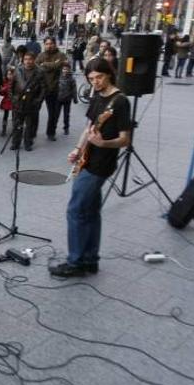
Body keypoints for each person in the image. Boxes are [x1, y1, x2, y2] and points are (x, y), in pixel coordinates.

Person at [52, 59, 131, 277]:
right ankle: (90, 259)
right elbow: (88, 128)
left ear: (110, 74)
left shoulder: (120, 102)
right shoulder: (98, 97)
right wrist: (78, 149)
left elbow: (125, 139)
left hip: (100, 165)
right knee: (92, 212)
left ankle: (75, 262)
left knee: (75, 210)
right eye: (91, 79)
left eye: (99, 77)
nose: (95, 82)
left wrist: (104, 144)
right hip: (88, 159)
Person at [10, 52, 45, 151]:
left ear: (33, 60)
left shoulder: (39, 72)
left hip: (31, 103)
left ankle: (28, 143)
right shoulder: (18, 71)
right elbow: (11, 87)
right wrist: (13, 99)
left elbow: (43, 89)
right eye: (25, 59)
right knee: (17, 124)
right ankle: (15, 143)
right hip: (19, 103)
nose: (28, 61)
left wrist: (38, 101)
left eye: (30, 59)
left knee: (30, 125)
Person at [36, 37, 68, 142]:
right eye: (47, 44)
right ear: (44, 45)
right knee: (34, 111)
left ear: (55, 44)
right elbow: (37, 68)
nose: (49, 46)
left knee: (53, 114)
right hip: (41, 88)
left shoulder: (61, 55)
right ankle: (31, 133)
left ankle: (51, 132)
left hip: (54, 89)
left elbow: (60, 65)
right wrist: (54, 65)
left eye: (51, 43)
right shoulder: (41, 55)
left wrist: (45, 64)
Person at [50, 64, 77, 137]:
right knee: (56, 115)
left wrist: (75, 98)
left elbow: (74, 89)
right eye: (64, 69)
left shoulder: (71, 79)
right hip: (58, 99)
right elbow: (54, 87)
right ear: (61, 70)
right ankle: (53, 129)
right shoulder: (58, 77)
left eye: (67, 69)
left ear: (69, 70)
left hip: (67, 99)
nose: (65, 71)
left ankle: (66, 128)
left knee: (66, 115)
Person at [0, 67, 15, 136]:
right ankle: (3, 129)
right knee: (5, 115)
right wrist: (2, 90)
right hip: (6, 101)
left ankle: (15, 128)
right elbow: (1, 93)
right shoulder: (4, 82)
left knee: (14, 115)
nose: (9, 76)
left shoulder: (15, 82)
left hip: (14, 100)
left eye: (11, 74)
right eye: (8, 74)